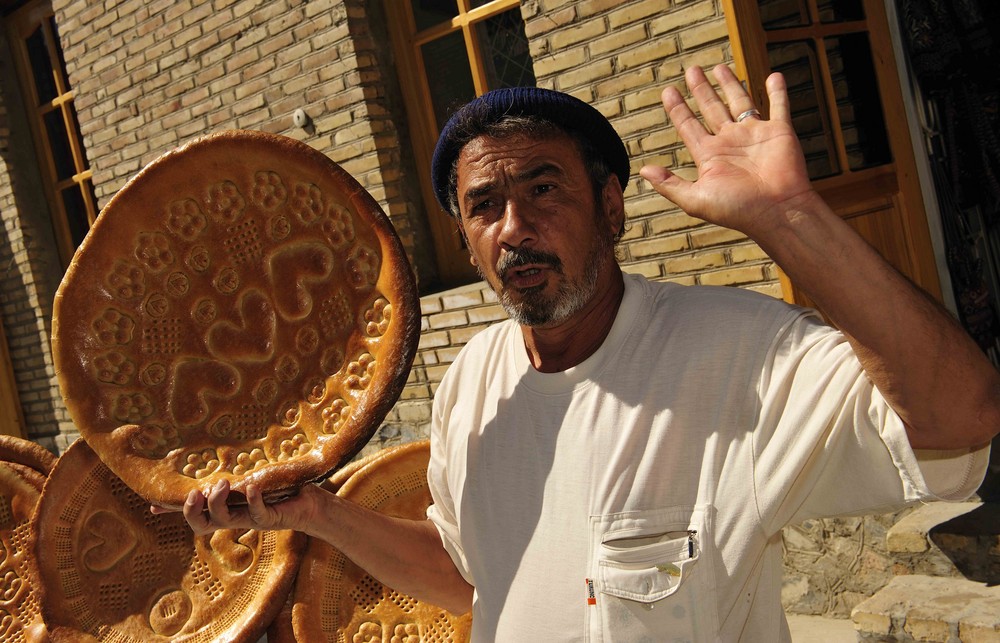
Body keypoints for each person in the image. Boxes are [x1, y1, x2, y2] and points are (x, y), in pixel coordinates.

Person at [166, 64, 1000, 641]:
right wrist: (318, 512)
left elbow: (961, 414)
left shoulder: (737, 356)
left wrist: (791, 221)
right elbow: (474, 579)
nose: (515, 227)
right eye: (485, 204)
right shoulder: (473, 386)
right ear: (466, 238)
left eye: (544, 188)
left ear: (611, 207)